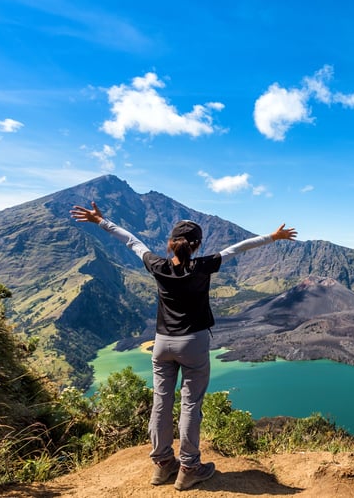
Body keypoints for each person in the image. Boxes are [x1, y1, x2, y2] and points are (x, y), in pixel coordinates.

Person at [70, 201, 296, 490]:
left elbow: (131, 241)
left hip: (162, 344)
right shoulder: (203, 266)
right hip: (194, 343)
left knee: (161, 402)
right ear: (197, 245)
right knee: (190, 404)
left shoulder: (157, 265)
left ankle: (162, 464)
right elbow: (238, 248)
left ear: (170, 244)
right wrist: (272, 237)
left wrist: (100, 221)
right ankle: (189, 467)